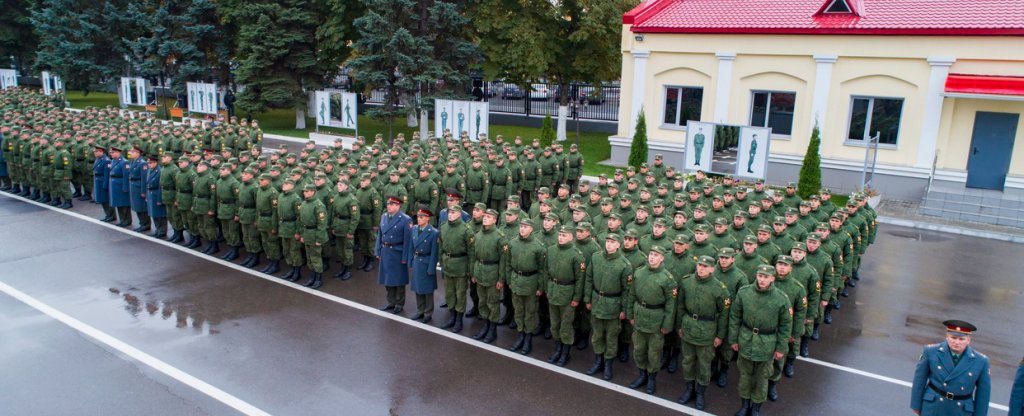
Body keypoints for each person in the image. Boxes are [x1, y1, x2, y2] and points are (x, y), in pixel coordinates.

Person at [729, 264, 793, 416]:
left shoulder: (781, 299)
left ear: (772, 278)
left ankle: (756, 408)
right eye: (760, 276)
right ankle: (744, 405)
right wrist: (733, 339)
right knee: (745, 375)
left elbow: (785, 326)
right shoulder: (744, 293)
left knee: (762, 378)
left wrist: (780, 348)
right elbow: (735, 317)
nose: (762, 280)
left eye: (766, 277)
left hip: (767, 343)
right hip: (746, 338)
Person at [676, 255, 731, 410]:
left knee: (704, 364)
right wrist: (679, 325)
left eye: (705, 266)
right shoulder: (686, 282)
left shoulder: (720, 289)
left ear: (712, 269)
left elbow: (724, 314)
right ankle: (689, 389)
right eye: (699, 265)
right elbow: (680, 306)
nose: (701, 268)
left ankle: (700, 393)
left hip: (707, 330)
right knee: (688, 361)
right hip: (688, 326)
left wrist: (720, 335)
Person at [626, 245, 677, 395]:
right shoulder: (639, 273)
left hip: (656, 320)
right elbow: (632, 295)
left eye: (656, 255)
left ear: (662, 258)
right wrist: (630, 315)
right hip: (640, 316)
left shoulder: (668, 279)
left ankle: (651, 379)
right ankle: (641, 375)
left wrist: (667, 324)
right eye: (651, 254)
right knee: (639, 350)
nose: (652, 257)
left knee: (653, 353)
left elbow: (670, 305)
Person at [911, 320, 991, 416]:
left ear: (968, 340)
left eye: (961, 339)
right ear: (947, 337)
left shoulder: (981, 361)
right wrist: (916, 405)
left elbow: (983, 394)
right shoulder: (931, 351)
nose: (956, 342)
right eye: (953, 337)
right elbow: (919, 379)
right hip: (934, 407)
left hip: (960, 410)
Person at [583, 232, 632, 381]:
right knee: (597, 335)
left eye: (613, 242)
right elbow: (589, 278)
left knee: (611, 337)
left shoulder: (624, 264)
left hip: (613, 305)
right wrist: (588, 299)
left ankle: (608, 364)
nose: (609, 244)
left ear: (619, 245)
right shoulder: (596, 257)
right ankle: (598, 361)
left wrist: (624, 310)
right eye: (608, 241)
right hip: (597, 301)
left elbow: (627, 291)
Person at [505, 218, 546, 355]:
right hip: (516, 280)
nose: (522, 229)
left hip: (531, 283)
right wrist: (509, 280)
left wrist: (540, 287)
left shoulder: (538, 247)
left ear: (531, 229)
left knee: (529, 313)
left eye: (525, 227)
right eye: (521, 226)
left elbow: (542, 270)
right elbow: (508, 264)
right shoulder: (512, 243)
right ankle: (520, 335)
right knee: (518, 311)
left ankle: (528, 339)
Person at [438, 204, 473, 333]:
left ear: (459, 214)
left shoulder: (466, 230)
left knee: (460, 293)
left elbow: (471, 251)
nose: (450, 214)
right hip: (448, 264)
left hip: (460, 265)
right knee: (449, 293)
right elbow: (441, 247)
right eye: (449, 212)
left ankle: (459, 320)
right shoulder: (444, 227)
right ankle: (452, 317)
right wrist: (441, 261)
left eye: (453, 212)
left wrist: (470, 269)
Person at [376, 196, 412, 314]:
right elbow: (380, 235)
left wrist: (405, 257)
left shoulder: (405, 219)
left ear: (398, 206)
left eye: (392, 204)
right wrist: (378, 250)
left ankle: (399, 304)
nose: (389, 206)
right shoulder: (384, 216)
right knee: (387, 279)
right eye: (388, 204)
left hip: (398, 252)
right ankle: (391, 302)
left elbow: (408, 241)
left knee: (399, 281)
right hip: (386, 250)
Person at [406, 207, 439, 323]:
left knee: (427, 289)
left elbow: (435, 253)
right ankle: (420, 310)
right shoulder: (414, 229)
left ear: (427, 218)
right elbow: (411, 246)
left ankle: (428, 313)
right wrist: (410, 261)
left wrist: (431, 268)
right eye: (418, 217)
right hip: (417, 260)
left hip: (426, 261)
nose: (419, 219)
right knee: (417, 287)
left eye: (422, 217)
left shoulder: (433, 233)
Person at [298, 183, 329, 289]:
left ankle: (318, 278)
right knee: (309, 258)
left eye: (307, 191)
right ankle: (312, 276)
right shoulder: (304, 204)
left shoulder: (318, 205)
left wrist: (319, 239)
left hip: (315, 234)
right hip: (307, 233)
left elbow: (322, 224)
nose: (304, 193)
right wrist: (302, 234)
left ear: (313, 192)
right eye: (304, 191)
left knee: (316, 258)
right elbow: (301, 221)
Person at [144, 156, 167, 238]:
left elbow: (160, 187)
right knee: (153, 214)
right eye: (148, 163)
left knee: (160, 214)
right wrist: (147, 195)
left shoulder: (159, 171)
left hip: (156, 193)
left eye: (150, 163)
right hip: (150, 193)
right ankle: (157, 229)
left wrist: (159, 199)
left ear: (155, 163)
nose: (149, 165)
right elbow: (147, 184)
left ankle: (162, 230)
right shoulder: (150, 171)